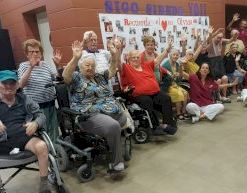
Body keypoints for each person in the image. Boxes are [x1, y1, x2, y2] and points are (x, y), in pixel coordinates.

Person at [62, 40, 125, 171]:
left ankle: (111, 142)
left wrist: (114, 56)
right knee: (113, 126)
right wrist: (75, 58)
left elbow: (112, 71)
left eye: (92, 65)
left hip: (109, 110)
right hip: (88, 114)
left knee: (122, 118)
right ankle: (116, 163)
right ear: (80, 67)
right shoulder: (77, 78)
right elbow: (65, 76)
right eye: (87, 65)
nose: (90, 68)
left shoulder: (99, 76)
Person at [0, 70, 54, 193]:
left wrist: (35, 123)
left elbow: (40, 115)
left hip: (23, 137)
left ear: (18, 85)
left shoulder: (24, 99)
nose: (9, 86)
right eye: (4, 83)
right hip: (1, 140)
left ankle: (44, 187)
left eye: (12, 83)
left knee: (42, 146)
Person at [120, 40, 177, 135]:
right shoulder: (126, 68)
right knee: (147, 101)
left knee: (166, 98)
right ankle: (155, 126)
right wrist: (118, 49)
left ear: (140, 58)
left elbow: (158, 59)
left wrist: (167, 50)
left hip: (154, 92)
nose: (135, 59)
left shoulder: (146, 66)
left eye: (137, 57)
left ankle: (167, 124)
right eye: (133, 57)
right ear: (129, 59)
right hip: (138, 95)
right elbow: (117, 62)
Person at [18, 39, 61, 142]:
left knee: (54, 131)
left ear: (41, 52)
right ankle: (46, 154)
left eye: (37, 51)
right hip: (36, 108)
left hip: (50, 104)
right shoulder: (23, 66)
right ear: (26, 54)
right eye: (31, 52)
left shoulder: (45, 64)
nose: (35, 54)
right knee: (43, 134)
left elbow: (56, 79)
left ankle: (56, 154)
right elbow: (21, 85)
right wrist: (31, 67)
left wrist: (57, 65)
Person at [161, 49, 188, 120]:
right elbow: (162, 80)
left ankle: (183, 111)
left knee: (185, 93)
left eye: (177, 55)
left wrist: (181, 68)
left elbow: (180, 78)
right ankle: (178, 113)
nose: (175, 56)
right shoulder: (165, 65)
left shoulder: (177, 64)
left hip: (175, 85)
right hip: (167, 86)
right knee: (178, 93)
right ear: (170, 55)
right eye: (174, 54)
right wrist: (172, 76)